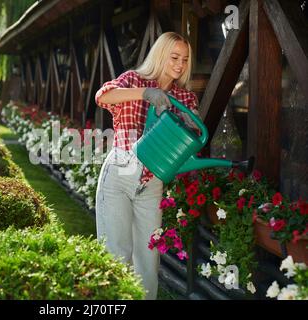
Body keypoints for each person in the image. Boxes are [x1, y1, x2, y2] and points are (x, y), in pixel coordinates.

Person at [94, 32, 200, 300]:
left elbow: (192, 139)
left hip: (152, 183)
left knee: (148, 261)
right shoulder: (133, 80)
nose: (180, 64)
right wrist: (146, 93)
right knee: (116, 255)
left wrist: (187, 124)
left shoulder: (185, 99)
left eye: (185, 60)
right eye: (174, 57)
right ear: (160, 55)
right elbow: (103, 97)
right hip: (119, 174)